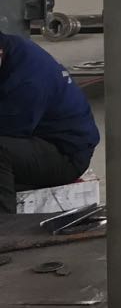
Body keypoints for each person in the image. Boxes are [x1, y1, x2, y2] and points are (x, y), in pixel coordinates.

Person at [0, 30, 99, 213]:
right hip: (36, 140)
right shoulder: (11, 47)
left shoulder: (27, 80)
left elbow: (11, 130)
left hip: (65, 155)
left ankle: (6, 224)